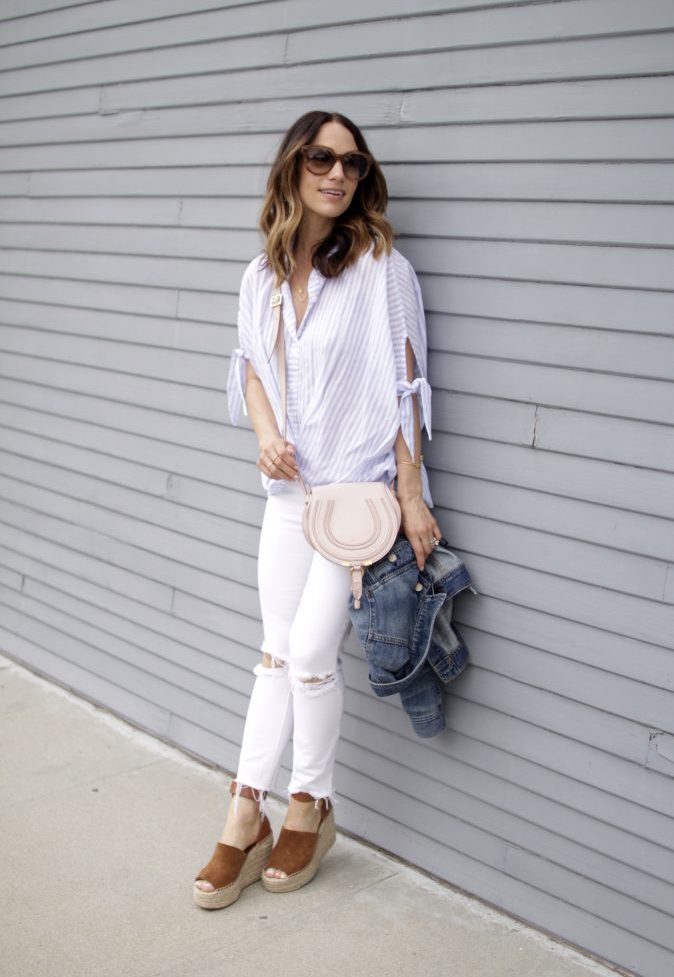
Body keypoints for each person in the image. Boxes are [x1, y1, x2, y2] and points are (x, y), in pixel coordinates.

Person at [193, 110, 442, 909]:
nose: (338, 174)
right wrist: (265, 437)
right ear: (291, 167)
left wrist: (410, 497)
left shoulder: (380, 268)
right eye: (320, 158)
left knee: (307, 652)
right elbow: (251, 369)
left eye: (353, 164)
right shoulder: (259, 274)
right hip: (288, 494)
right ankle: (244, 813)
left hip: (355, 497)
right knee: (272, 651)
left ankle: (308, 803)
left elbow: (405, 388)